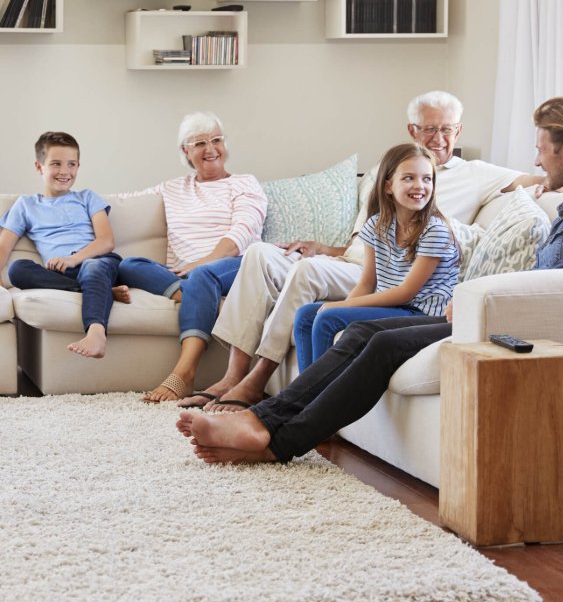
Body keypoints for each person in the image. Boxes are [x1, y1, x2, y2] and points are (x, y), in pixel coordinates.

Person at [176, 95, 563, 465]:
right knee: (360, 330)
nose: (537, 161)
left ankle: (274, 439)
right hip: (495, 316)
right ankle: (262, 420)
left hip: (520, 333)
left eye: (542, 149)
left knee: (378, 343)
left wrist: (482, 297)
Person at [180, 90, 542, 411]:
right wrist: (325, 249)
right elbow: (363, 245)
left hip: (405, 285)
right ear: (412, 130)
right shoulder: (383, 177)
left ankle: (261, 380)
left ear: (458, 131)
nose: (439, 137)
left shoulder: (475, 175)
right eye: (430, 129)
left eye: (447, 129)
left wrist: (545, 189)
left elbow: (537, 178)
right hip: (353, 262)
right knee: (259, 253)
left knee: (308, 278)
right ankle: (235, 375)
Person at [117, 111, 268, 402]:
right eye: (199, 143)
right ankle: (200, 297)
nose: (210, 149)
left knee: (202, 275)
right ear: (185, 151)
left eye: (216, 140)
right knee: (128, 265)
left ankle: (184, 374)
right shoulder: (172, 188)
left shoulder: (245, 183)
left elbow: (240, 236)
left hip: (236, 267)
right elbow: (122, 204)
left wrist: (199, 264)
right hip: (191, 275)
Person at [292, 142, 460, 371]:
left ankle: (310, 399)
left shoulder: (435, 230)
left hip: (424, 313)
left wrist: (341, 306)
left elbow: (406, 293)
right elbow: (367, 283)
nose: (420, 185)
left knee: (328, 318)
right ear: (388, 186)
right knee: (305, 315)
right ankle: (304, 398)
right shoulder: (375, 225)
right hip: (397, 307)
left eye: (427, 179)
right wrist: (344, 306)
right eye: (409, 178)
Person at [0, 131, 129, 359]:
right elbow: (4, 246)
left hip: (98, 263)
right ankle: (100, 292)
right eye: (56, 164)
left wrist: (73, 258)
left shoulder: (87, 198)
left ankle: (96, 332)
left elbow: (106, 241)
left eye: (71, 164)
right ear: (39, 167)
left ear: (78, 166)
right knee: (18, 269)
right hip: (62, 274)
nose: (64, 172)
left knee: (92, 268)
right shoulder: (26, 205)